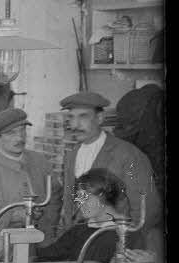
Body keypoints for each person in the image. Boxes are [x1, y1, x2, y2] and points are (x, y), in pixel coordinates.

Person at [56, 91, 158, 233]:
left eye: (83, 116)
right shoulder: (71, 155)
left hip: (114, 238)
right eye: (71, 117)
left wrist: (126, 240)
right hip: (81, 238)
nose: (76, 125)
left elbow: (146, 210)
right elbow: (69, 203)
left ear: (99, 118)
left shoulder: (128, 154)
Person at [0, 108, 60, 243]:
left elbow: (56, 193)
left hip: (44, 243)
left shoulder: (40, 161)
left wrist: (49, 222)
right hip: (7, 248)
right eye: (11, 133)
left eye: (22, 130)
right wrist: (14, 216)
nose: (20, 138)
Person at [32, 168, 148, 263]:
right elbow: (46, 255)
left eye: (85, 198)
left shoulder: (130, 234)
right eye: (78, 198)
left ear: (105, 196)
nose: (79, 203)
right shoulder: (79, 231)